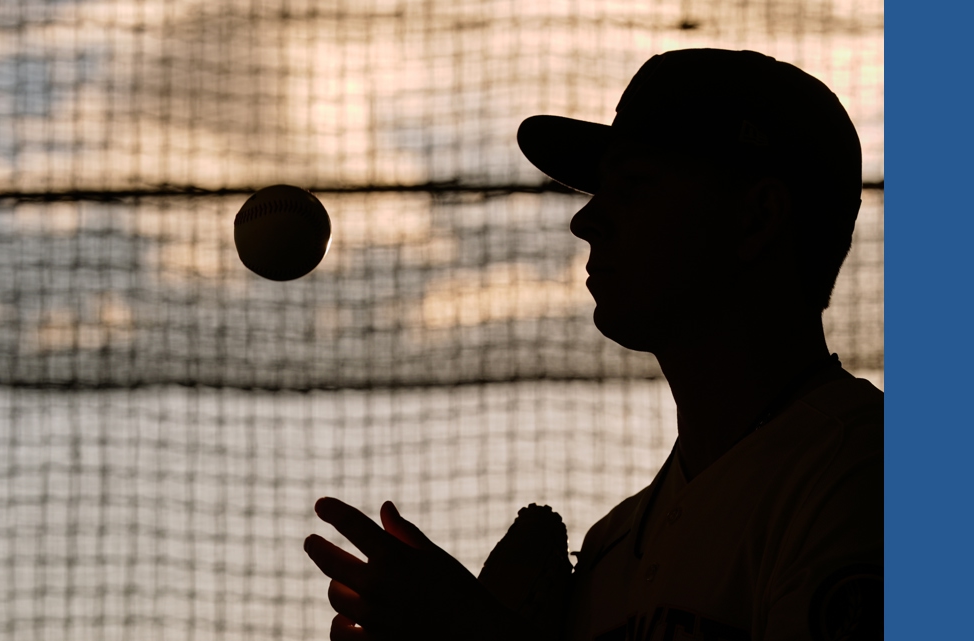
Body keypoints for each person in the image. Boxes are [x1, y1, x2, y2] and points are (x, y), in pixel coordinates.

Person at [303, 48, 882, 641]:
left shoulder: (869, 477)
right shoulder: (610, 546)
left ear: (756, 217)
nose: (586, 220)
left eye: (633, 185)